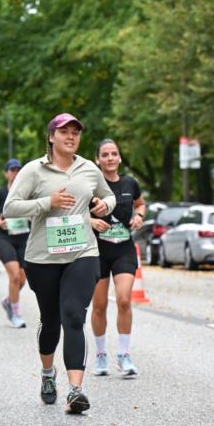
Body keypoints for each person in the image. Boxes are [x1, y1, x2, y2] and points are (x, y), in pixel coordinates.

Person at [3, 113, 115, 415]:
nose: (71, 136)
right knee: (51, 321)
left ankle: (75, 390)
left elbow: (108, 195)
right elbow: (10, 208)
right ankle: (47, 374)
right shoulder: (33, 171)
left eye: (76, 132)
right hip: (43, 258)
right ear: (51, 137)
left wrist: (106, 205)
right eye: (64, 132)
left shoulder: (89, 169)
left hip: (83, 252)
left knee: (73, 316)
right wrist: (46, 203)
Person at [89, 139, 147, 377]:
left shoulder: (129, 183)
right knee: (100, 305)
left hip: (123, 248)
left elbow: (141, 204)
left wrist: (139, 216)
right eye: (105, 154)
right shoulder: (91, 186)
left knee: (124, 300)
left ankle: (123, 355)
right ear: (98, 160)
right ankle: (101, 355)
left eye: (114, 154)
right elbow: (76, 213)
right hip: (98, 251)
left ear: (119, 158)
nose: (110, 158)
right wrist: (91, 221)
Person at [0, 159, 29, 328]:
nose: (15, 172)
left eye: (18, 169)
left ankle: (9, 301)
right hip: (4, 238)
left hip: (24, 237)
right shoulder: (0, 193)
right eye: (12, 170)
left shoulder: (27, 192)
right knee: (15, 276)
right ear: (6, 173)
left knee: (23, 280)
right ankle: (16, 314)